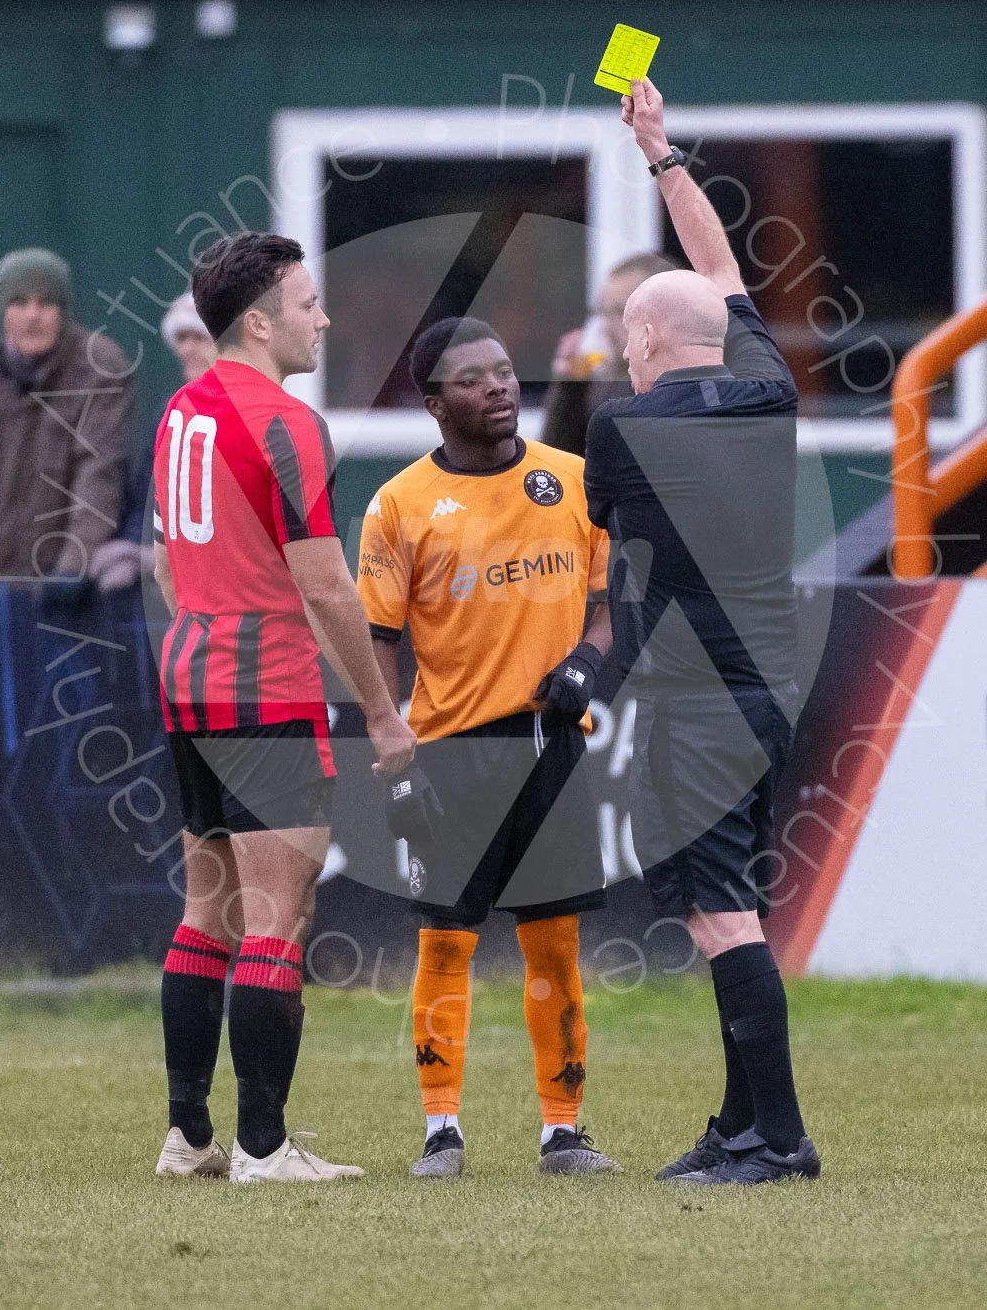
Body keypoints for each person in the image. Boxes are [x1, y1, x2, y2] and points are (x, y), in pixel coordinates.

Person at [584, 79, 819, 1187]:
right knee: (738, 906)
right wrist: (658, 154)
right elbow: (720, 282)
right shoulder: (767, 392)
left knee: (721, 919)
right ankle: (738, 1125)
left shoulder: (622, 429)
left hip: (695, 702)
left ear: (639, 340)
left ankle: (777, 1139)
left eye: (625, 337)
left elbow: (603, 541)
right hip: (766, 684)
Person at [151, 231, 415, 1185]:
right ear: (258, 322)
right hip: (264, 684)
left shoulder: (181, 408)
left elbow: (168, 562)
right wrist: (384, 715)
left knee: (205, 911)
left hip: (189, 675)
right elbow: (329, 589)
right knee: (276, 921)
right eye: (308, 304)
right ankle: (264, 1149)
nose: (323, 318)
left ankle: (188, 1138)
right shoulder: (288, 423)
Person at [357, 315, 621, 1179]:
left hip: (549, 748)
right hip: (447, 755)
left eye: (506, 371)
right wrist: (393, 758)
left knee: (554, 943)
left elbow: (613, 606)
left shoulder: (574, 481)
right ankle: (441, 1132)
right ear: (435, 405)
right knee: (446, 945)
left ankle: (564, 1132)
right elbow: (379, 645)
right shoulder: (397, 505)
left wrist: (587, 659)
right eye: (474, 379)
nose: (500, 387)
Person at [0, 247, 133, 585]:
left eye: (46, 303)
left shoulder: (99, 367)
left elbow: (99, 471)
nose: (32, 315)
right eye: (19, 303)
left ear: (63, 312)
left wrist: (72, 568)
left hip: (61, 582)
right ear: (2, 311)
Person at [91, 293, 217, 594]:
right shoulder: (171, 412)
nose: (187, 349)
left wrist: (157, 559)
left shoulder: (246, 412)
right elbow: (149, 494)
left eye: (199, 337)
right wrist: (134, 548)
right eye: (182, 338)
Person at [540, 251, 677, 456]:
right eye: (603, 312)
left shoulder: (694, 388)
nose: (605, 326)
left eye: (620, 310)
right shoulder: (608, 384)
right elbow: (558, 464)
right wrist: (570, 386)